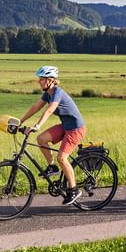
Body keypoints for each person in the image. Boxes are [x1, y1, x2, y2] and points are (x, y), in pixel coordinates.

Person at [19, 65, 86, 205]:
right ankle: (52, 166)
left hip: (75, 129)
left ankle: (74, 189)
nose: (39, 82)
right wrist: (20, 121)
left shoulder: (58, 93)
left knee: (62, 157)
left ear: (50, 80)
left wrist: (37, 125)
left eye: (41, 79)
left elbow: (49, 110)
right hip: (65, 127)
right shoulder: (47, 93)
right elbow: (35, 107)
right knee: (41, 139)